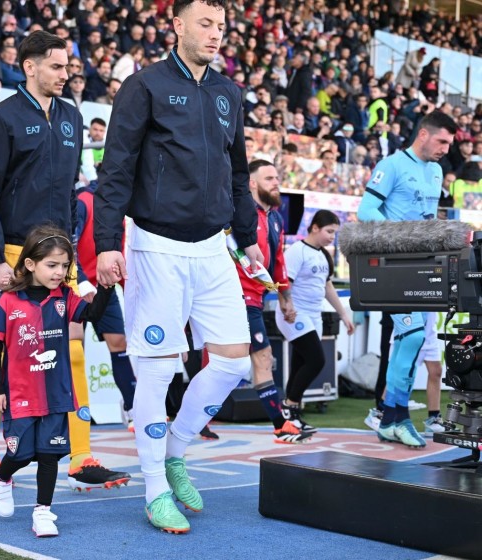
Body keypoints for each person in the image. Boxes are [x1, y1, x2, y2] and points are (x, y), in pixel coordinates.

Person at [94, 0, 262, 533]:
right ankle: (154, 489)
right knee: (158, 368)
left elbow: (239, 173)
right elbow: (115, 167)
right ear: (177, 27)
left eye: (221, 27)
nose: (215, 35)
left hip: (214, 248)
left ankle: (174, 450)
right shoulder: (142, 86)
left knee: (235, 363)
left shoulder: (228, 92)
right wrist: (105, 241)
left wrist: (247, 236)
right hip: (156, 246)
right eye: (205, 24)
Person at [0, 30, 130, 489]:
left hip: (59, 254)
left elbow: (65, 195)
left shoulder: (72, 118)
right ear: (30, 66)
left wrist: (72, 259)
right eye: (57, 67)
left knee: (73, 351)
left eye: (68, 67)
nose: (66, 75)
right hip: (11, 254)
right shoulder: (1, 118)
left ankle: (80, 458)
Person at [0, 225, 115, 537]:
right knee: (21, 454)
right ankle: (1, 478)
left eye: (65, 266)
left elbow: (93, 315)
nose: (60, 272)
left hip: (56, 393)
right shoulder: (8, 302)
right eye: (52, 265)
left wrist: (106, 287)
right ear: (30, 264)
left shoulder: (65, 298)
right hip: (18, 396)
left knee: (48, 455)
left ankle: (43, 510)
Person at [357, 110, 457, 448]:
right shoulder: (393, 165)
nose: (446, 147)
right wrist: (406, 237)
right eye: (442, 140)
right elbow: (366, 211)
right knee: (412, 338)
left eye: (450, 142)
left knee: (408, 342)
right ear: (424, 135)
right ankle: (396, 416)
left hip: (425, 266)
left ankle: (390, 418)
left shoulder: (436, 171)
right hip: (394, 265)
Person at [237, 160, 311, 443]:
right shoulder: (240, 213)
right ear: (252, 183)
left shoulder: (277, 219)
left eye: (277, 177)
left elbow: (278, 264)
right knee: (262, 356)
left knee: (249, 361)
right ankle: (281, 424)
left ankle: (280, 424)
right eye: (269, 178)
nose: (276, 183)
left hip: (256, 297)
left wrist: (285, 299)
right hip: (236, 296)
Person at [274, 210, 354, 430]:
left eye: (334, 233)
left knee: (300, 362)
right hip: (294, 314)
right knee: (316, 360)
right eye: (329, 231)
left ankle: (291, 416)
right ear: (315, 227)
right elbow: (283, 282)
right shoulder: (297, 251)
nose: (331, 237)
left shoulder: (323, 255)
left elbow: (328, 287)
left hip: (314, 315)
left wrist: (344, 314)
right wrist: (286, 306)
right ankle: (289, 406)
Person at [75, 179, 137, 428]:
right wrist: (79, 280)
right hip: (75, 287)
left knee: (118, 342)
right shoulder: (83, 202)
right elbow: (69, 244)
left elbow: (121, 252)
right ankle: (74, 412)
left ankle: (132, 407)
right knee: (74, 348)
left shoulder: (122, 208)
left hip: (105, 287)